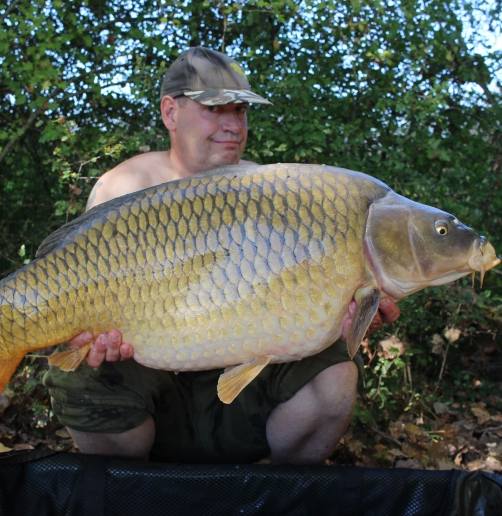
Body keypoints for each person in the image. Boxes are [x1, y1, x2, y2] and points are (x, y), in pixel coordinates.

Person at [43, 47, 401, 465]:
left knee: (336, 375)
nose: (234, 125)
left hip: (239, 391)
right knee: (76, 374)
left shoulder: (266, 189)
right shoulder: (122, 189)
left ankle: (278, 493)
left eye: (241, 112)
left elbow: (292, 297)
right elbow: (82, 305)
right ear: (170, 113)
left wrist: (348, 313)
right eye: (216, 110)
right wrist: (92, 338)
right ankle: (132, 491)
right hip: (153, 393)